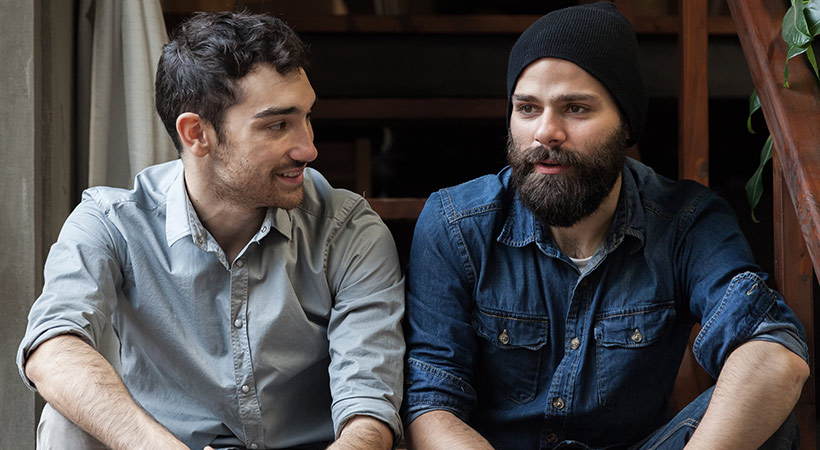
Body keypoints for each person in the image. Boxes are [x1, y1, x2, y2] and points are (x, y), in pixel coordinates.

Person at [401, 3, 809, 449]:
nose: (545, 132)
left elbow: (773, 354)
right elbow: (431, 405)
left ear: (625, 124)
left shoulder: (686, 221)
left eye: (575, 109)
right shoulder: (456, 225)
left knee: (766, 417)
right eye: (527, 108)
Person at [18, 11, 405, 450]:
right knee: (64, 422)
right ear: (196, 133)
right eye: (277, 125)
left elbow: (368, 413)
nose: (308, 148)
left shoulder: (349, 229)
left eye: (306, 117)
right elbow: (53, 346)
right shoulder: (112, 221)